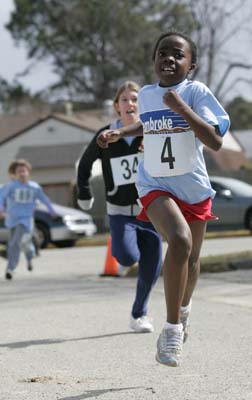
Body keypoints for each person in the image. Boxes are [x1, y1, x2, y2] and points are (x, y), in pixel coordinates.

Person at [96, 32, 230, 366]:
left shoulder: (196, 92)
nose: (168, 58)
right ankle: (171, 332)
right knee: (180, 243)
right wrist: (120, 133)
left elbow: (215, 140)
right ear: (154, 60)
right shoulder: (148, 94)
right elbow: (148, 124)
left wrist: (182, 107)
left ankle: (183, 310)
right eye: (162, 53)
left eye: (177, 54)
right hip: (154, 184)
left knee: (193, 262)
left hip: (194, 188)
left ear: (191, 64)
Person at [77, 81, 162, 333]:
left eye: (134, 99)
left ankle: (139, 314)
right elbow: (85, 162)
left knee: (153, 266)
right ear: (117, 106)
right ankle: (127, 257)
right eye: (124, 100)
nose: (130, 104)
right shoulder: (106, 135)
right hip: (120, 210)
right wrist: (83, 191)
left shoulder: (152, 131)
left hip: (152, 209)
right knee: (126, 256)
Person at [0, 159, 57, 280]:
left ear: (28, 172)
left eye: (23, 170)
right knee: (21, 243)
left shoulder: (34, 187)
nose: (21, 173)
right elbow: (1, 197)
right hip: (12, 219)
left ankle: (10, 268)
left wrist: (51, 210)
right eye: (19, 171)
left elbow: (44, 199)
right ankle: (30, 257)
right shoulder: (10, 186)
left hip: (26, 220)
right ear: (15, 173)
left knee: (14, 243)